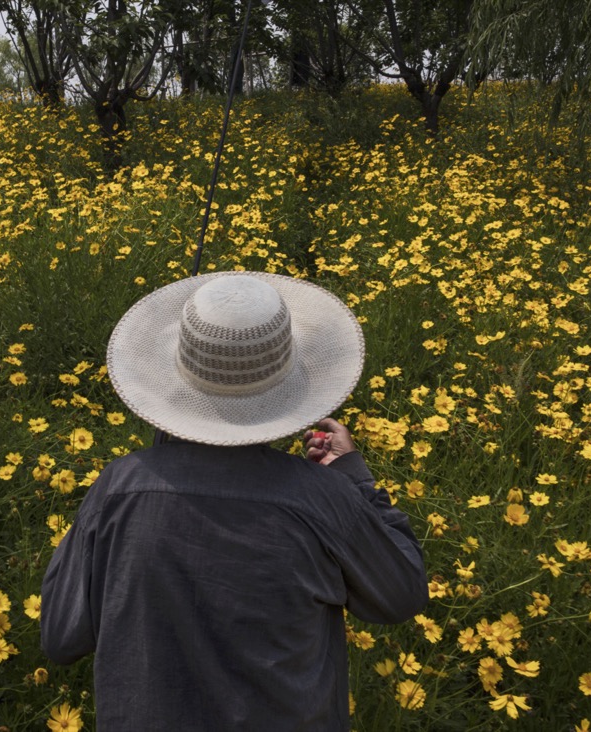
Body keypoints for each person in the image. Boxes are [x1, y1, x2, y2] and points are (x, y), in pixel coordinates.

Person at [41, 272, 428, 731]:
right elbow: (400, 595)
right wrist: (352, 479)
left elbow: (61, 637)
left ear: (178, 377)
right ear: (286, 380)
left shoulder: (118, 491)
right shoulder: (322, 497)